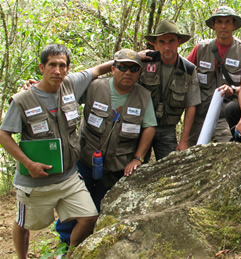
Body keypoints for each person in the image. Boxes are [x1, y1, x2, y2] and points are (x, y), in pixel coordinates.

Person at [0, 44, 113, 258]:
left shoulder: (70, 85)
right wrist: (28, 164)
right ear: (42, 68)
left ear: (68, 68)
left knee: (89, 216)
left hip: (68, 177)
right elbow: (3, 135)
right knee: (24, 223)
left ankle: (69, 253)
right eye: (52, 65)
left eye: (62, 65)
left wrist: (133, 58)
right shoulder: (23, 99)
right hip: (35, 181)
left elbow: (97, 70)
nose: (58, 70)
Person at [55, 48, 157, 245]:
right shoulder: (94, 87)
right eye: (122, 67)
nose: (128, 72)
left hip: (117, 165)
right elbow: (62, 91)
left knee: (100, 207)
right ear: (113, 68)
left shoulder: (144, 96)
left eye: (133, 69)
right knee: (73, 205)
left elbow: (149, 127)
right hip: (84, 159)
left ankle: (89, 244)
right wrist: (34, 89)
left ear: (139, 73)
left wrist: (138, 158)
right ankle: (65, 244)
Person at [187, 6, 241, 146]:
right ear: (213, 25)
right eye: (219, 22)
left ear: (234, 25)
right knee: (188, 153)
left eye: (228, 21)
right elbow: (182, 72)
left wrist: (233, 89)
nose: (223, 26)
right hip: (200, 113)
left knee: (226, 151)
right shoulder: (201, 49)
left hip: (225, 114)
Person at [139, 20, 201, 161]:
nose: (167, 47)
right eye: (162, 42)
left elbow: (191, 105)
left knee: (170, 169)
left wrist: (184, 140)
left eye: (171, 41)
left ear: (179, 42)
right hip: (141, 127)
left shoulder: (189, 70)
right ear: (155, 44)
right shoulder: (144, 62)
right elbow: (122, 80)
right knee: (134, 168)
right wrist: (136, 56)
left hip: (167, 129)